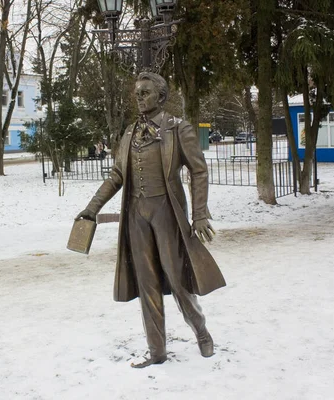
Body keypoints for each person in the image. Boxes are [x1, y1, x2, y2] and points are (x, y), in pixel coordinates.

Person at [75, 72, 225, 368]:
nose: (139, 97)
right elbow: (117, 175)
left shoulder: (178, 129)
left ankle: (201, 332)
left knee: (177, 280)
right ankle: (157, 351)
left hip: (167, 213)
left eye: (145, 92)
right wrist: (92, 208)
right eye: (137, 93)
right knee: (147, 284)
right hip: (136, 216)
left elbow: (199, 171)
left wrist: (199, 214)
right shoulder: (130, 132)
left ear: (161, 96)